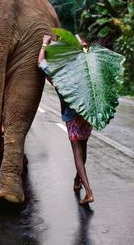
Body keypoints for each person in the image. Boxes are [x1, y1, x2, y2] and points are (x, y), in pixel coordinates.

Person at [38, 34, 94, 205]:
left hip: (72, 117)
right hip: (87, 114)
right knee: (83, 149)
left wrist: (45, 44)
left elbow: (40, 63)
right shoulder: (86, 69)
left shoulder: (61, 72)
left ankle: (89, 192)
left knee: (77, 153)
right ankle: (77, 181)